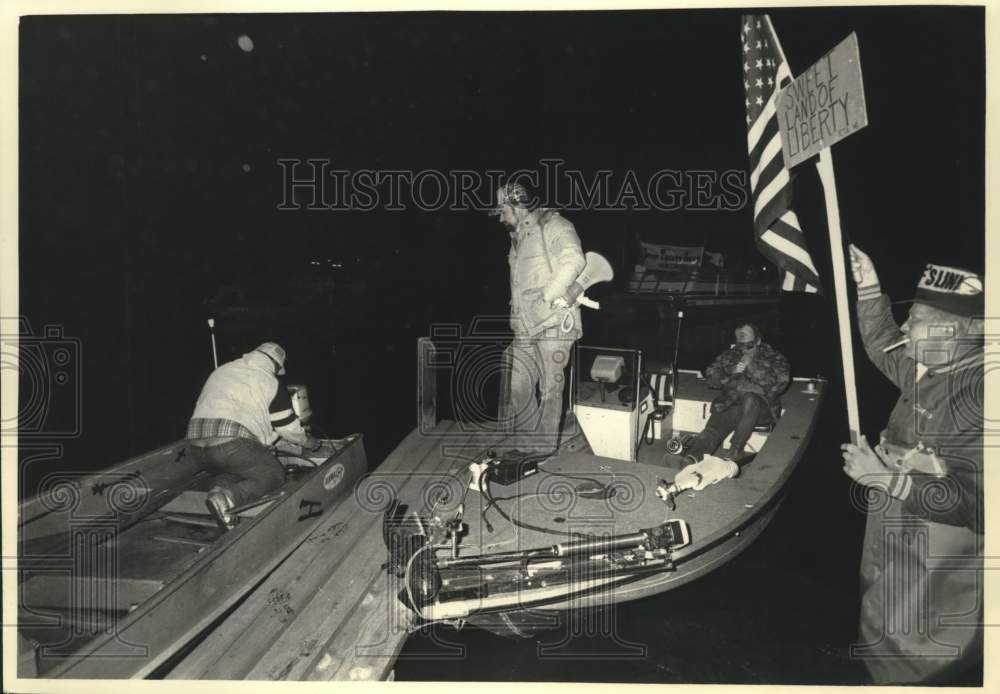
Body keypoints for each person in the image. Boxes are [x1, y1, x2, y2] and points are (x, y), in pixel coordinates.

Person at [842, 246, 983, 684]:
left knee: (920, 639)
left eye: (918, 318)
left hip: (938, 554)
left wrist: (888, 479)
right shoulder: (932, 365)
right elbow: (884, 343)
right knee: (884, 614)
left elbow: (977, 506)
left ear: (956, 330)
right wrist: (869, 287)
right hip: (897, 531)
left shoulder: (981, 397)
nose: (906, 327)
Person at [490, 181, 585, 451]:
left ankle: (541, 450)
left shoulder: (556, 225)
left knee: (550, 389)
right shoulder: (519, 236)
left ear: (517, 206)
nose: (500, 217)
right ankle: (524, 445)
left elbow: (574, 260)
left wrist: (548, 298)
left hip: (554, 324)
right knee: (518, 383)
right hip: (524, 325)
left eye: (502, 210)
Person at [186, 342, 320, 529]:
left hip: (197, 449)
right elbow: (286, 427)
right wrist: (308, 441)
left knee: (235, 469)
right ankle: (230, 498)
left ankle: (217, 494)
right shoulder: (269, 380)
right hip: (230, 445)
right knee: (273, 475)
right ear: (277, 366)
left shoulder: (223, 370)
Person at [685, 323, 789, 463]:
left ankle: (736, 450)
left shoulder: (774, 357)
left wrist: (751, 367)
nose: (744, 350)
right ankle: (692, 458)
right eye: (741, 345)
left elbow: (779, 384)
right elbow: (710, 378)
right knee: (714, 427)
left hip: (762, 409)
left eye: (749, 346)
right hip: (732, 404)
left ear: (758, 341)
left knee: (750, 399)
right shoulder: (729, 355)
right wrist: (731, 371)